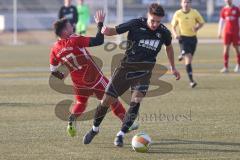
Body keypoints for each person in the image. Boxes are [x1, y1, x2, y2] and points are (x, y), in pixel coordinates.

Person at [83, 3, 180, 147]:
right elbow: (112, 31)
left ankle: (120, 134)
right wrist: (101, 26)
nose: (155, 24)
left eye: (158, 21)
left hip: (144, 72)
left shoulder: (164, 32)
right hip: (125, 69)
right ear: (148, 16)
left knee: (136, 101)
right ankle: (94, 129)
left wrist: (173, 67)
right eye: (152, 20)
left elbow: (169, 47)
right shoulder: (136, 24)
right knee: (105, 101)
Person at [49, 11, 138, 137]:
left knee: (81, 103)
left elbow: (53, 70)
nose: (72, 27)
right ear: (64, 32)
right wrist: (100, 23)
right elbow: (98, 40)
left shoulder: (55, 49)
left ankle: (72, 119)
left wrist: (62, 76)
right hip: (95, 78)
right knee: (112, 99)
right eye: (69, 26)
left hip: (78, 83)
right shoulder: (74, 39)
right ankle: (126, 123)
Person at [171, 0, 204, 88]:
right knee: (188, 58)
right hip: (183, 38)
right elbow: (173, 26)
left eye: (188, 2)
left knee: (188, 60)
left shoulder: (194, 12)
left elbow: (201, 22)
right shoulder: (178, 14)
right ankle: (191, 81)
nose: (186, 4)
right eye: (184, 2)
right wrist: (175, 35)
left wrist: (197, 27)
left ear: (190, 4)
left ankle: (182, 54)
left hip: (193, 39)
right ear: (181, 3)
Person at [218, 0, 240, 73]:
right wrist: (219, 32)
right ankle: (225, 67)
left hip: (235, 32)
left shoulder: (236, 9)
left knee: (236, 49)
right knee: (226, 49)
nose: (227, 1)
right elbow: (221, 21)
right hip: (227, 32)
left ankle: (238, 65)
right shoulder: (224, 9)